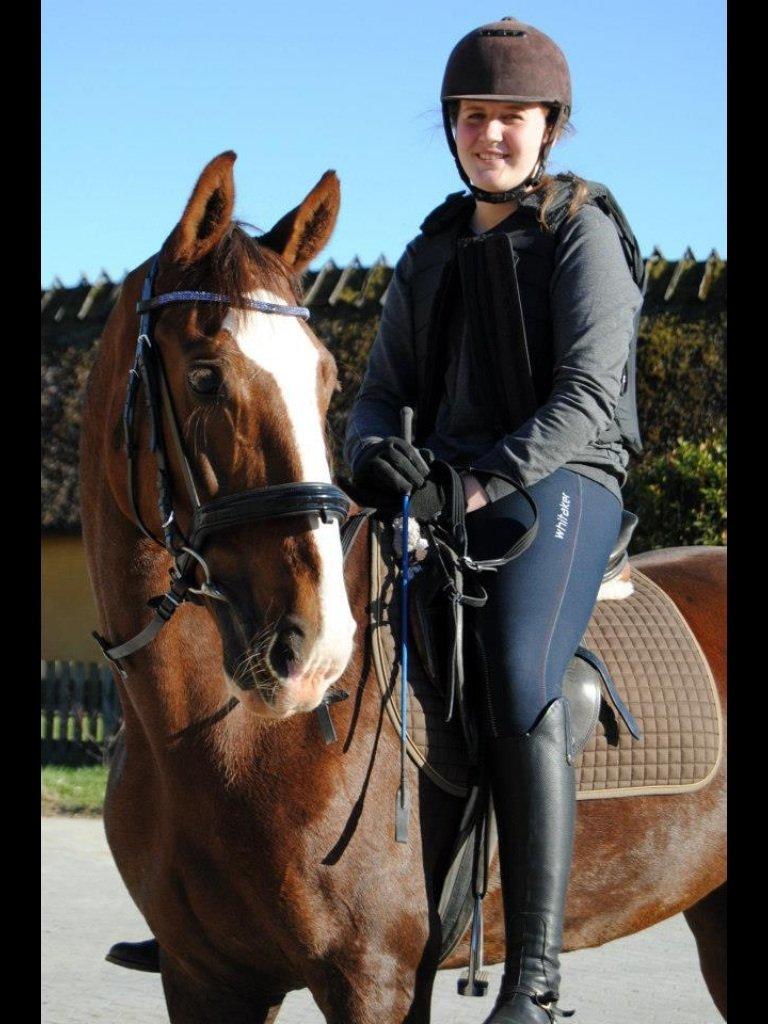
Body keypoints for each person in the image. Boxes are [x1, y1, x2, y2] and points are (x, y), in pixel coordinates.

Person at [343, 17, 643, 1024]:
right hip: (450, 486)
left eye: (508, 117)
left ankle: (538, 978)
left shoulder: (582, 232)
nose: (488, 134)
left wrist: (474, 487)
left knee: (518, 672)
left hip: (566, 479)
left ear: (547, 126)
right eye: (472, 116)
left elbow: (588, 399)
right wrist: (374, 455)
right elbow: (382, 393)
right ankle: (237, 902)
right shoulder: (429, 251)